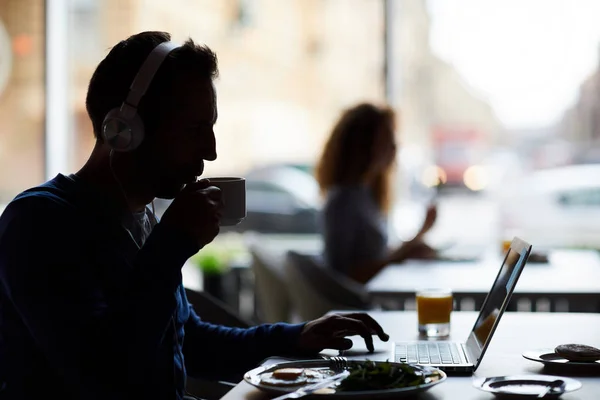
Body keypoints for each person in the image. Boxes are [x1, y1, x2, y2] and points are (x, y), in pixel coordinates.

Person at [0, 32, 389, 400]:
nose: (211, 151)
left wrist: (298, 336)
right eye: (195, 129)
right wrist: (170, 247)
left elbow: (191, 341)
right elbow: (104, 375)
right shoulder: (39, 224)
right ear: (125, 130)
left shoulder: (140, 219)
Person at [315, 103, 438, 284]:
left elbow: (374, 258)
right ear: (364, 145)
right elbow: (343, 277)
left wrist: (418, 237)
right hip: (355, 309)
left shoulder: (362, 196)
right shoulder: (343, 202)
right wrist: (404, 253)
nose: (394, 147)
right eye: (387, 139)